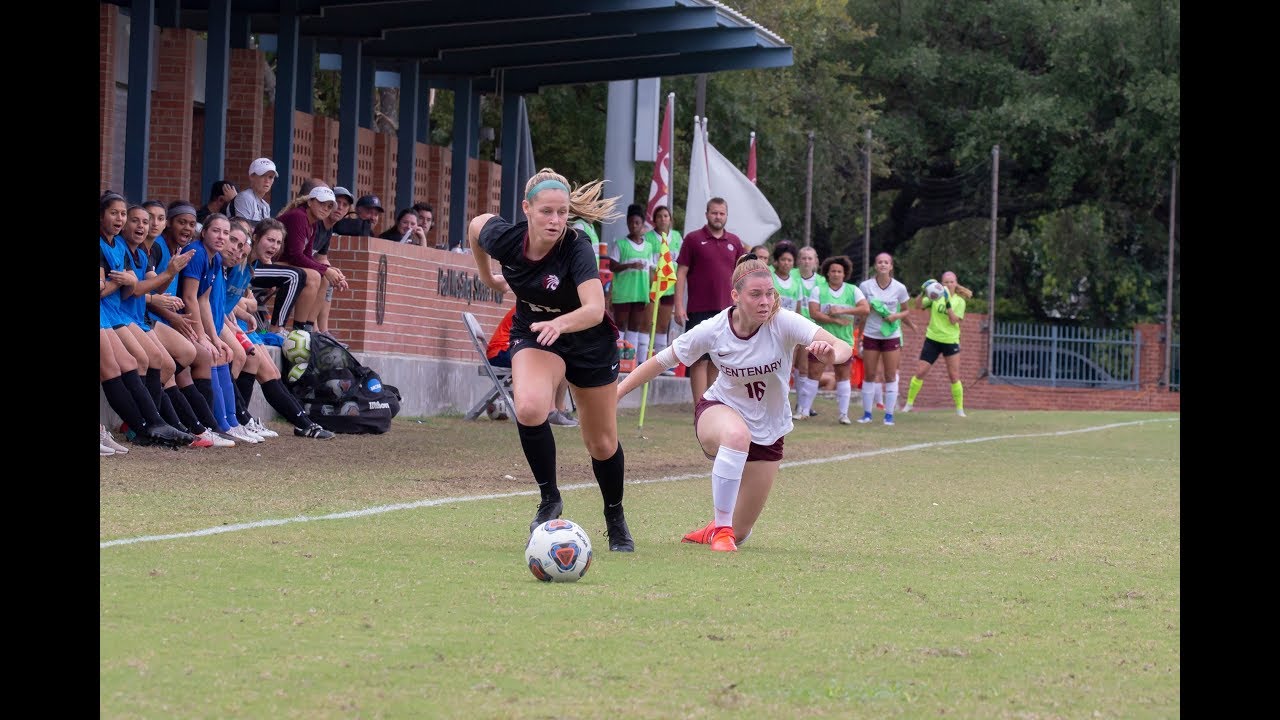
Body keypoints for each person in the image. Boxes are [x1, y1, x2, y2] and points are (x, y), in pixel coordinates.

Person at [617, 255, 852, 551]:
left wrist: (831, 354)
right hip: (717, 411)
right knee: (736, 435)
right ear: (736, 296)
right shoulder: (714, 328)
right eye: (755, 294)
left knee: (743, 532)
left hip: (769, 429)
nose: (765, 301)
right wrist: (617, 392)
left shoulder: (784, 322)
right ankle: (723, 530)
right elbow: (662, 360)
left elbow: (844, 346)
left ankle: (721, 529)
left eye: (770, 293)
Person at [467, 167, 634, 552]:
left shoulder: (576, 247)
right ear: (527, 209)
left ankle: (615, 516)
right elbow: (477, 226)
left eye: (562, 212)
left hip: (589, 343)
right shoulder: (506, 239)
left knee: (602, 443)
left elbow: (594, 308)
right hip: (537, 335)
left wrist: (560, 322)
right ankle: (549, 498)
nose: (556, 220)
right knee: (528, 407)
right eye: (547, 211)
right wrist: (489, 276)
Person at [674, 197, 743, 406]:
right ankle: (699, 406)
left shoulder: (734, 242)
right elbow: (681, 272)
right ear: (707, 214)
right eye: (714, 213)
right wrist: (678, 305)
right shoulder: (693, 239)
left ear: (726, 216)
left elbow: (741, 275)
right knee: (699, 359)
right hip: (699, 308)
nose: (718, 217)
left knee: (718, 360)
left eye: (722, 213)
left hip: (727, 311)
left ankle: (712, 405)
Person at [796, 255, 869, 424]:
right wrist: (835, 319)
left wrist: (842, 311)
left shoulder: (853, 290)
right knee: (813, 373)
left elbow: (865, 309)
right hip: (821, 339)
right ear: (827, 273)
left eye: (839, 271)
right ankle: (804, 411)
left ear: (845, 274)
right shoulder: (818, 289)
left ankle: (843, 414)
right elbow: (814, 313)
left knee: (843, 376)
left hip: (844, 341)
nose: (836, 274)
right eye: (833, 271)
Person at [486, 305, 578, 427]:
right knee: (549, 359)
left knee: (562, 360)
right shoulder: (532, 306)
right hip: (500, 352)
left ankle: (558, 410)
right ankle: (551, 412)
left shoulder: (543, 306)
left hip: (509, 349)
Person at [276, 185, 349, 332]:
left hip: (286, 263)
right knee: (314, 275)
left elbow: (308, 256)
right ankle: (299, 329)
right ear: (310, 202)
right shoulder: (298, 216)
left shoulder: (313, 224)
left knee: (324, 277)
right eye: (321, 203)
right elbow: (295, 255)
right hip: (267, 263)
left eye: (329, 207)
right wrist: (324, 270)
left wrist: (329, 270)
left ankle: (309, 327)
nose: (325, 209)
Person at [902, 272, 973, 416]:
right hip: (933, 339)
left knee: (954, 376)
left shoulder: (960, 301)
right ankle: (909, 404)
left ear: (956, 283)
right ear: (941, 284)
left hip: (950, 340)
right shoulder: (935, 296)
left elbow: (954, 320)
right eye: (945, 282)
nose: (948, 285)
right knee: (920, 372)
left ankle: (960, 409)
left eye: (951, 282)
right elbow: (918, 305)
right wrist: (923, 292)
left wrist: (947, 302)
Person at [856, 252, 912, 425]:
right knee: (870, 374)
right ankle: (867, 414)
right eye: (880, 262)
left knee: (890, 375)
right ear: (875, 265)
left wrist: (896, 316)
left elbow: (906, 311)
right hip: (871, 334)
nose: (883, 265)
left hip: (891, 336)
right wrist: (859, 335)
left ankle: (889, 415)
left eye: (886, 262)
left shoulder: (899, 287)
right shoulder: (866, 286)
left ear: (891, 266)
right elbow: (861, 311)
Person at [609, 204, 656, 364]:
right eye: (631, 223)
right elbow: (612, 266)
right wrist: (629, 265)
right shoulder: (620, 244)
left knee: (635, 325)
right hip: (623, 293)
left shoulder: (648, 247)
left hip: (640, 292)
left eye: (637, 223)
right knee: (620, 324)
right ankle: (617, 358)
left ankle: (631, 360)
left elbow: (650, 270)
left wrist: (651, 290)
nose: (634, 226)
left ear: (642, 224)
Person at [643, 205, 682, 371]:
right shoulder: (648, 238)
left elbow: (681, 263)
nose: (663, 219)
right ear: (654, 220)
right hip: (652, 286)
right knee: (647, 323)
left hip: (670, 286)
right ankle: (642, 362)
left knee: (662, 325)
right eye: (659, 216)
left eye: (666, 216)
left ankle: (662, 365)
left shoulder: (678, 237)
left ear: (670, 219)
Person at [230, 158, 277, 224]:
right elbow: (244, 229)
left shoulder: (266, 206)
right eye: (263, 175)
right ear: (251, 176)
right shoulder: (245, 197)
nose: (267, 180)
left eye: (271, 177)